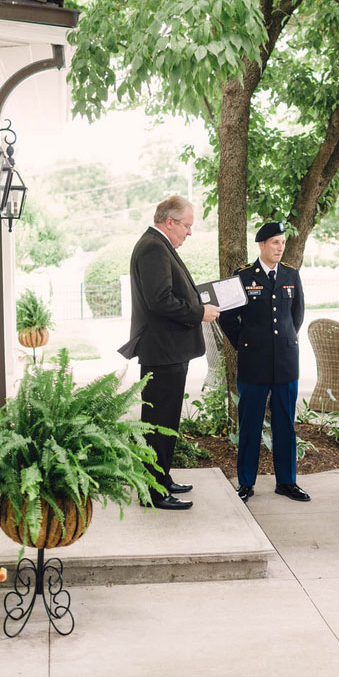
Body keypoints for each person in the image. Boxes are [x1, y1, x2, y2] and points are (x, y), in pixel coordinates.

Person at [120, 195, 220, 510]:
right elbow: (160, 300)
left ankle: (160, 478)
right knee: (158, 424)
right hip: (163, 352)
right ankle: (153, 492)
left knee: (165, 423)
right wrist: (198, 311)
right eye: (187, 226)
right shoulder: (153, 247)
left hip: (168, 351)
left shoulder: (159, 245)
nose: (189, 232)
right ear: (170, 222)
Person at [219, 221, 309, 503]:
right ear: (261, 245)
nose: (280, 247)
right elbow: (227, 318)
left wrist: (281, 341)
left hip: (285, 362)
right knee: (250, 425)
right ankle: (246, 483)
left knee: (285, 424)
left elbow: (296, 315)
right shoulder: (242, 276)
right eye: (274, 242)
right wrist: (246, 345)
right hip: (253, 362)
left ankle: (287, 482)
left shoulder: (291, 275)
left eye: (282, 242)